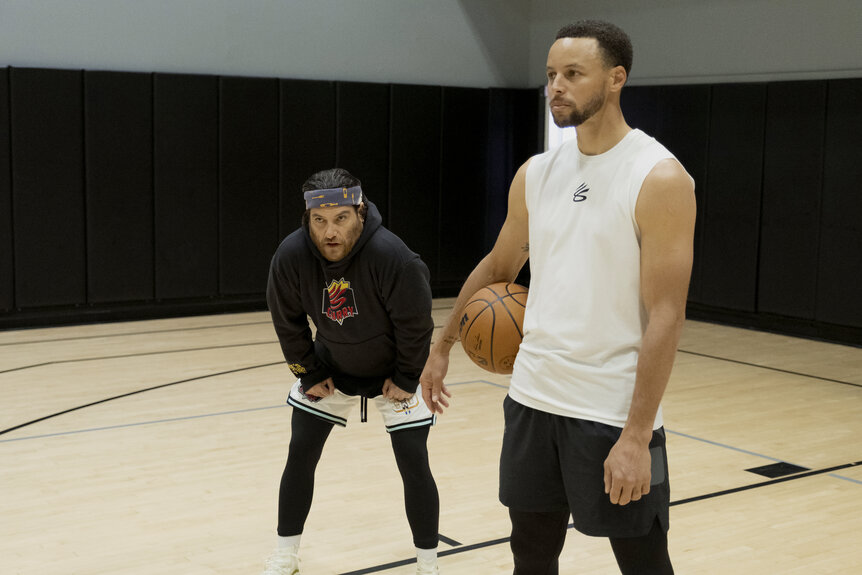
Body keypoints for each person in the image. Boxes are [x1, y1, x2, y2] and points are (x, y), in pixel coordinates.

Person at [420, 20, 695, 575]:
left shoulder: (658, 177)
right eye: (550, 76)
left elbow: (667, 314)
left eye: (573, 74)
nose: (556, 87)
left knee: (643, 560)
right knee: (532, 554)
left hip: (609, 412)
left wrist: (637, 435)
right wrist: (442, 343)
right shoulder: (536, 173)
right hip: (532, 400)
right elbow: (499, 265)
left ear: (616, 79)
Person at [261, 168, 441, 575]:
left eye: (341, 218)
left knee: (414, 462)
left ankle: (428, 566)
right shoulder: (291, 256)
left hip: (395, 374)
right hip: (331, 368)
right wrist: (308, 372)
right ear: (306, 218)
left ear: (360, 211)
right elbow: (285, 319)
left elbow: (417, 326)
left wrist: (408, 378)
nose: (330, 232)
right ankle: (285, 556)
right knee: (300, 454)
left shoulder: (393, 257)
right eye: (319, 221)